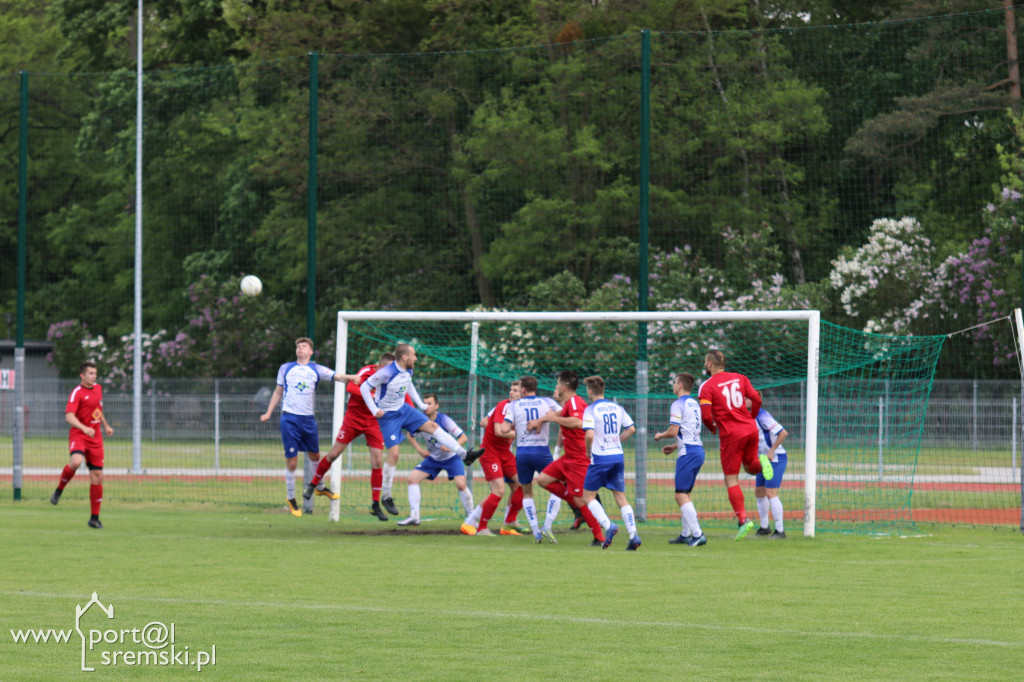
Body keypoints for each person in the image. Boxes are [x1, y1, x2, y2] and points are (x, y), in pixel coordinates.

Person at [359, 344, 471, 516]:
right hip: (388, 417)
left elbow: (408, 384)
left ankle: (464, 454)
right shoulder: (386, 372)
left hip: (404, 410)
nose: (416, 358)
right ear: (404, 357)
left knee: (433, 426)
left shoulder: (408, 370)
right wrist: (374, 409)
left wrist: (420, 404)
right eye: (413, 355)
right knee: (394, 455)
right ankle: (386, 496)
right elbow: (363, 387)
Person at [302, 351, 408, 521]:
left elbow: (405, 396)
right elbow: (351, 387)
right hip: (353, 419)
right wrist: (372, 395)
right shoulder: (366, 372)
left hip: (374, 422)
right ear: (381, 366)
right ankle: (313, 483)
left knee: (377, 461)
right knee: (334, 454)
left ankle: (375, 505)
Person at [261, 337, 356, 517]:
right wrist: (268, 412)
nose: (300, 348)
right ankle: (291, 498)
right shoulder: (286, 368)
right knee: (293, 461)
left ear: (310, 351)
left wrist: (352, 378)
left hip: (308, 420)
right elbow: (278, 391)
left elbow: (337, 376)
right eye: (298, 346)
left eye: (303, 346)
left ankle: (320, 487)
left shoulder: (316, 369)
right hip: (289, 419)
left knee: (315, 455)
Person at [697, 350, 774, 540]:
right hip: (750, 429)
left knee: (731, 480)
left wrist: (712, 428)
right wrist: (751, 417)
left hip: (731, 435)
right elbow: (757, 399)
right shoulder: (740, 378)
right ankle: (762, 461)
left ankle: (743, 520)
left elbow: (705, 416)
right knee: (749, 467)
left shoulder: (707, 386)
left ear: (710, 364)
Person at [530, 370, 606, 546]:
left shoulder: (575, 402)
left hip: (579, 459)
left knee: (581, 499)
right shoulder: (568, 404)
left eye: (557, 384)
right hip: (568, 458)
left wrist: (552, 420)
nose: (556, 387)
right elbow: (557, 415)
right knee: (543, 479)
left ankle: (599, 536)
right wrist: (541, 420)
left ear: (563, 388)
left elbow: (578, 422)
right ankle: (576, 502)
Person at [496, 376, 562, 543]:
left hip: (523, 453)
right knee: (558, 487)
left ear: (523, 389)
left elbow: (504, 429)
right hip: (542, 451)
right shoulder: (547, 402)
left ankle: (536, 531)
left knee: (526, 491)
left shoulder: (514, 405)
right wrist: (543, 419)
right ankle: (547, 525)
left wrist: (515, 425)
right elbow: (563, 413)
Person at [49, 361, 114, 529]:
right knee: (76, 462)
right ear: (82, 375)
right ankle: (59, 489)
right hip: (79, 435)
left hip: (95, 438)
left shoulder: (98, 389)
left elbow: (98, 410)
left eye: (95, 373)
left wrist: (105, 425)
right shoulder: (77, 393)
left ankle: (94, 518)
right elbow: (69, 416)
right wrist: (84, 428)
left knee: (97, 476)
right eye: (91, 373)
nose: (94, 376)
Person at [579, 376, 641, 550]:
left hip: (600, 458)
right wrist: (617, 440)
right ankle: (633, 535)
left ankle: (608, 526)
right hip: (617, 457)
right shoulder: (617, 407)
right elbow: (631, 429)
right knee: (621, 498)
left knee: (588, 497)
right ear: (603, 390)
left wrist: (587, 451)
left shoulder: (590, 410)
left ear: (590, 391)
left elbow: (589, 434)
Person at [396, 394, 475, 527]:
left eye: (430, 403)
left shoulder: (444, 419)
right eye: (424, 403)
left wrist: (451, 447)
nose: (426, 406)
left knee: (461, 485)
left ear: (437, 406)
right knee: (412, 479)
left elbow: (463, 437)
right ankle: (414, 516)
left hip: (452, 458)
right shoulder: (420, 420)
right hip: (434, 458)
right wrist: (420, 450)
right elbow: (410, 435)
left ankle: (472, 517)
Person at [461, 381, 522, 536]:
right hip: (491, 453)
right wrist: (520, 432)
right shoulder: (504, 405)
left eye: (515, 390)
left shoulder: (523, 408)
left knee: (522, 485)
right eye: (511, 389)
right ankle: (477, 525)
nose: (511, 392)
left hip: (506, 454)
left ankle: (508, 524)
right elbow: (493, 427)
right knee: (498, 490)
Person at [653, 372, 707, 547]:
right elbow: (689, 432)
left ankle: (698, 534)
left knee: (680, 495)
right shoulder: (695, 404)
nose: (673, 385)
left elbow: (673, 431)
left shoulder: (678, 404)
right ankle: (686, 534)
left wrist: (660, 435)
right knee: (686, 494)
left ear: (681, 385)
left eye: (675, 382)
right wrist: (675, 446)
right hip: (697, 450)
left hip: (688, 453)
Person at [748, 394, 789, 539]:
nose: (742, 401)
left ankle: (780, 531)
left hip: (776, 459)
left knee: (771, 493)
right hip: (762, 460)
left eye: (746, 398)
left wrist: (771, 451)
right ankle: (764, 527)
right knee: (759, 492)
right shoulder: (746, 417)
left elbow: (783, 433)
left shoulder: (762, 415)